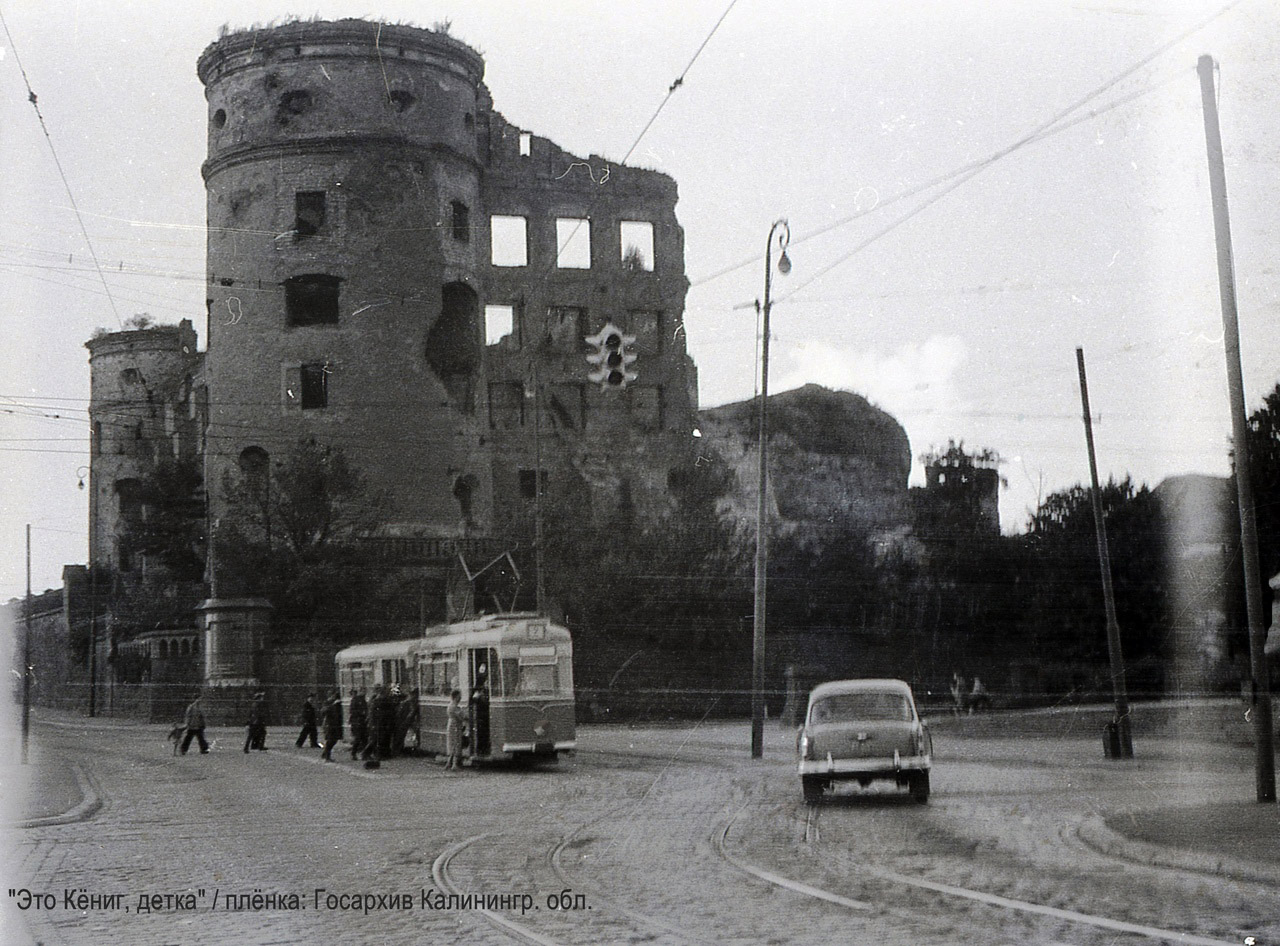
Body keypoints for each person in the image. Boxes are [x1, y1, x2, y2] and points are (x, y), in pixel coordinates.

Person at [444, 689, 467, 771]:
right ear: (456, 696)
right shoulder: (454, 706)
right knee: (456, 743)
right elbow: (462, 716)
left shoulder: (450, 705)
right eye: (459, 696)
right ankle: (454, 764)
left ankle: (448, 763)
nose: (460, 698)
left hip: (451, 725)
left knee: (451, 743)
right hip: (455, 726)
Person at [320, 691, 343, 761]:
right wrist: (333, 705)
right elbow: (323, 712)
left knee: (334, 740)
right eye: (332, 696)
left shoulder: (336, 703)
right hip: (329, 724)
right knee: (330, 740)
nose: (333, 697)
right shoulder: (327, 703)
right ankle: (327, 756)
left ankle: (325, 753)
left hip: (334, 723)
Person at [349, 688, 369, 761]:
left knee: (364, 738)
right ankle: (353, 754)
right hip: (357, 721)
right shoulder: (356, 700)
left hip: (362, 721)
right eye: (363, 691)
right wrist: (361, 712)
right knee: (358, 738)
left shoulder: (363, 700)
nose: (364, 693)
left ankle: (365, 754)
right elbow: (352, 711)